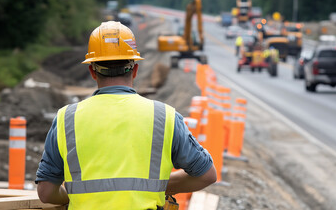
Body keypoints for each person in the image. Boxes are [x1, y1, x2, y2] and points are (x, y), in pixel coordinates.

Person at [35, 21, 216, 209]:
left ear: (92, 71)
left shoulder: (66, 118)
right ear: (135, 70)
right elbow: (207, 175)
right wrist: (154, 187)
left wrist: (70, 195)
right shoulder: (164, 117)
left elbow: (46, 192)